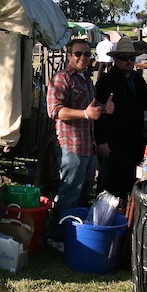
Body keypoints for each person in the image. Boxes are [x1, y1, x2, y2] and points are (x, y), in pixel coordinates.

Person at [95, 39, 147, 201]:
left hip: (133, 139)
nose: (129, 62)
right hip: (113, 142)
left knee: (130, 181)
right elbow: (98, 115)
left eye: (131, 59)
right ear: (116, 59)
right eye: (124, 58)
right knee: (110, 185)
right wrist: (101, 141)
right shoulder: (106, 81)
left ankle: (126, 214)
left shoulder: (136, 78)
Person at [47, 39, 113, 230]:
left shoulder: (85, 79)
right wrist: (85, 114)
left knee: (83, 195)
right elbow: (54, 111)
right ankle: (56, 235)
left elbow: (90, 109)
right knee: (69, 195)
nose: (83, 57)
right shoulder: (62, 78)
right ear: (69, 56)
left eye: (86, 54)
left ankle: (75, 233)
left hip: (88, 145)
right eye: (78, 54)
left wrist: (103, 108)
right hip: (71, 147)